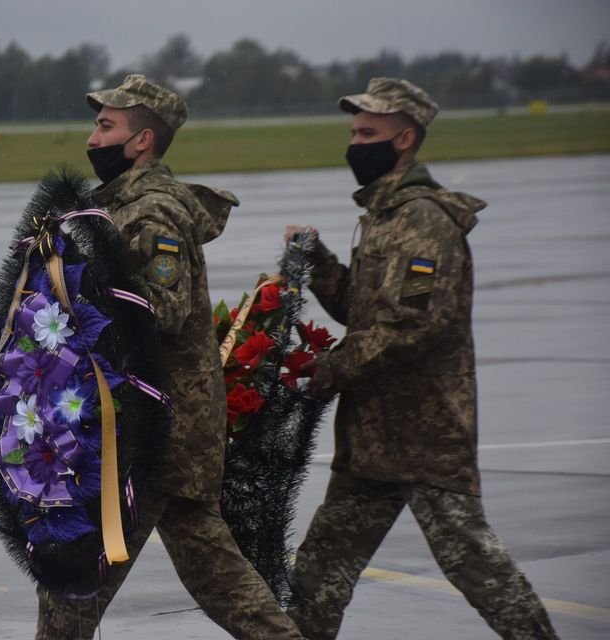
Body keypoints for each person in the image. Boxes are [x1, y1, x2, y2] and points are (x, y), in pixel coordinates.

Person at [283, 77, 561, 639]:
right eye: (353, 132)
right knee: (316, 577)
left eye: (368, 132)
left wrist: (328, 370)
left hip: (425, 437)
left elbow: (409, 326)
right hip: (371, 442)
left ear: (404, 139)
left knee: (478, 568)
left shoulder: (423, 220)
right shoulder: (384, 217)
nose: (354, 143)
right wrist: (319, 262)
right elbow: (363, 312)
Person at [35, 74, 305, 640]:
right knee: (222, 582)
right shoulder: (122, 208)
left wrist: (69, 312)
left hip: (155, 434)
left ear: (142, 142)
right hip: (165, 430)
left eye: (107, 125)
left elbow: (165, 309)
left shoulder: (151, 212)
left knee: (74, 580)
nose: (93, 137)